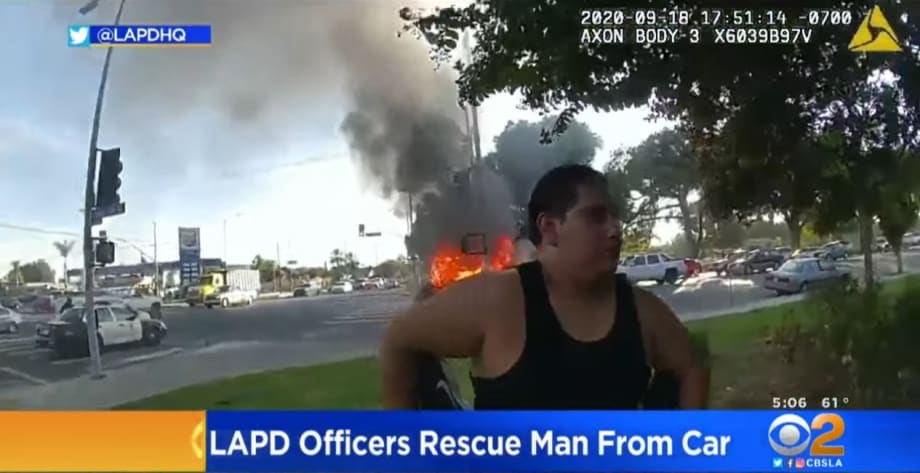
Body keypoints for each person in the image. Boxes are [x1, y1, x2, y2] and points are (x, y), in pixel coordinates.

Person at [381, 164, 708, 409]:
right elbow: (400, 338)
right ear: (549, 228)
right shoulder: (497, 300)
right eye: (595, 217)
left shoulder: (642, 311)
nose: (615, 230)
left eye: (614, 216)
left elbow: (691, 367)